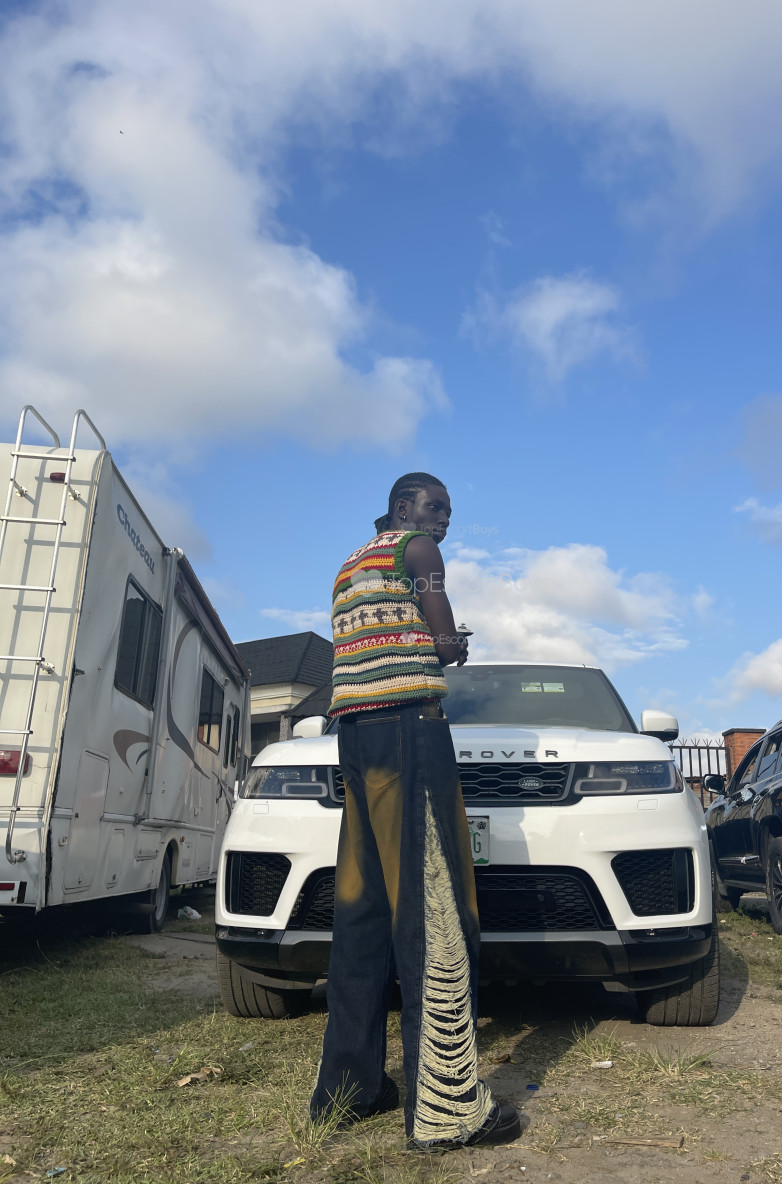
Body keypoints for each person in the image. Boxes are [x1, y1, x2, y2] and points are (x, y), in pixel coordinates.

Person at [309, 472, 521, 1152]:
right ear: (403, 507)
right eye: (435, 507)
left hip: (355, 736)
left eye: (448, 511)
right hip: (409, 728)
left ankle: (348, 1089)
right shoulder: (418, 551)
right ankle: (446, 1110)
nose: (443, 520)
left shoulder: (350, 565)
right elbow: (442, 639)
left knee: (362, 911)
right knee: (435, 905)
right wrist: (455, 644)